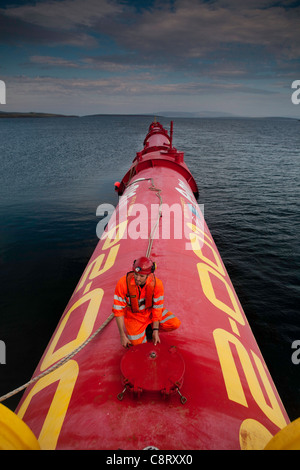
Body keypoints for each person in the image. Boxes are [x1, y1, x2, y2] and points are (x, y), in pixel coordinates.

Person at [113, 256, 181, 348]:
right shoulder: (123, 284)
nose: (137, 278)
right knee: (137, 344)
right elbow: (118, 311)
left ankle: (150, 328)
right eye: (136, 274)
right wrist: (122, 335)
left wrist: (155, 330)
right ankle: (146, 328)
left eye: (141, 276)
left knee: (175, 323)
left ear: (148, 275)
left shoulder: (157, 284)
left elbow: (157, 308)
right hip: (134, 317)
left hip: (150, 313)